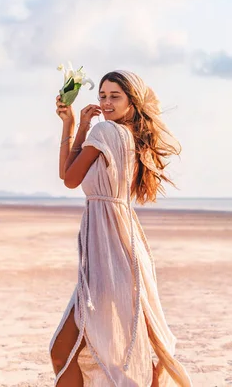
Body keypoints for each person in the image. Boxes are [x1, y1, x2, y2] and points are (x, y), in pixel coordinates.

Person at [49, 70, 192, 387]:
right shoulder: (128, 137)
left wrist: (77, 125)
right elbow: (69, 175)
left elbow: (69, 179)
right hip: (123, 246)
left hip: (109, 252)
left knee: (67, 350)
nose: (106, 102)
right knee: (122, 347)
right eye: (102, 96)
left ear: (132, 101)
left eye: (115, 96)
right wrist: (76, 125)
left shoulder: (108, 132)